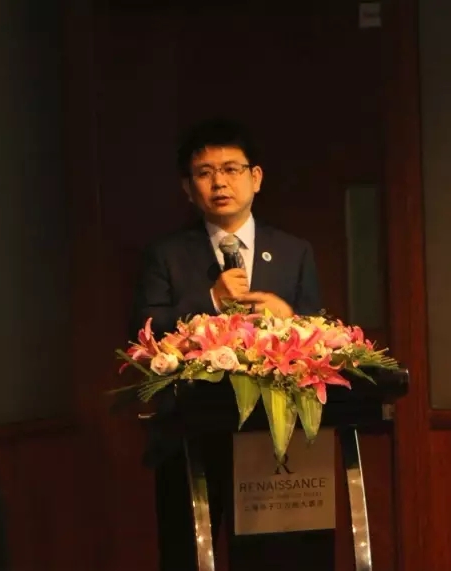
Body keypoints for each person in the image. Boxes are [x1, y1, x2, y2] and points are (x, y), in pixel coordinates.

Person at [128, 117, 322, 570]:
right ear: (187, 187)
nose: (219, 182)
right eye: (205, 172)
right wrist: (211, 300)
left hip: (273, 440)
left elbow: (320, 337)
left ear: (256, 177)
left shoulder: (294, 252)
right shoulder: (166, 255)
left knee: (275, 560)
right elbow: (144, 331)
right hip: (189, 435)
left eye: (232, 169)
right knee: (188, 557)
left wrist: (289, 318)